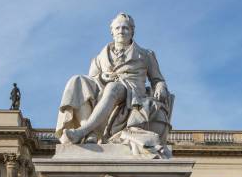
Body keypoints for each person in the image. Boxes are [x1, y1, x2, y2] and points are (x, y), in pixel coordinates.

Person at [56, 13, 171, 146]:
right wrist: (101, 77)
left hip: (131, 92)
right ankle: (91, 133)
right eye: (117, 28)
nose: (121, 31)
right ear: (112, 32)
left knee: (113, 87)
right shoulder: (100, 57)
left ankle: (83, 131)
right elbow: (91, 79)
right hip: (103, 87)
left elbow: (158, 79)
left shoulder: (145, 55)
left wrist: (160, 86)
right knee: (77, 81)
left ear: (132, 31)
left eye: (125, 28)